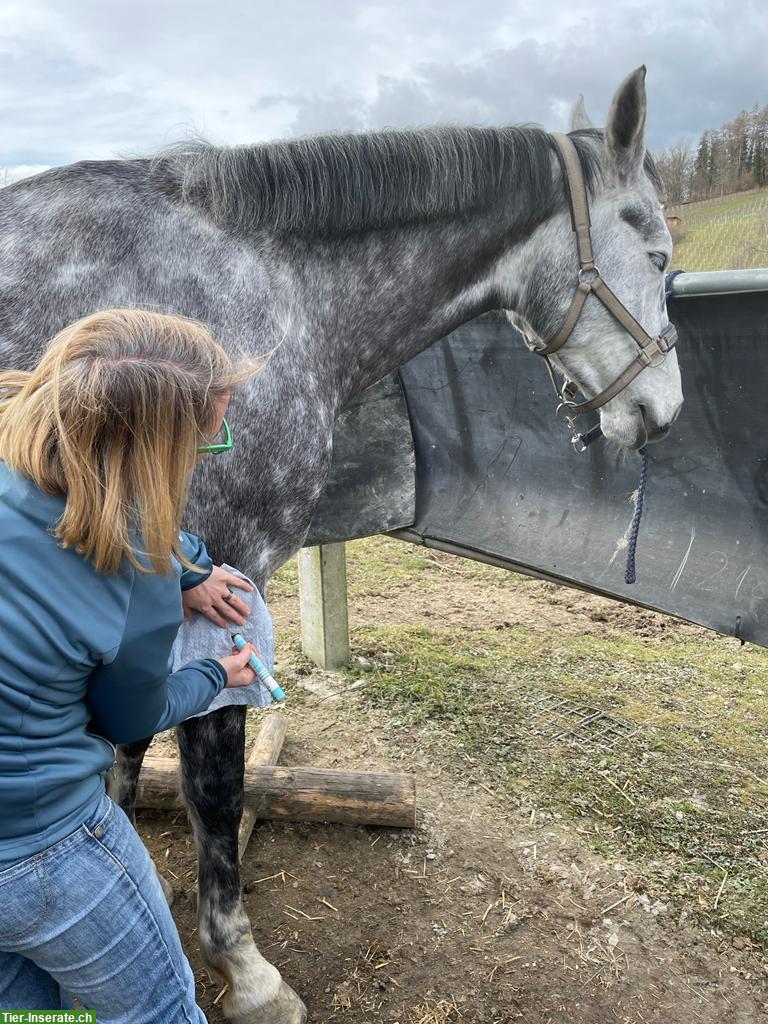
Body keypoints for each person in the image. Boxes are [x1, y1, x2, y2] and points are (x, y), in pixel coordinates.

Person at [0, 309, 260, 1022]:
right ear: (157, 454)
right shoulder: (134, 575)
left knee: (24, 1013)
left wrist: (184, 570)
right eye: (203, 443)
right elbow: (129, 719)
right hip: (39, 848)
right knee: (160, 1011)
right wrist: (219, 676)